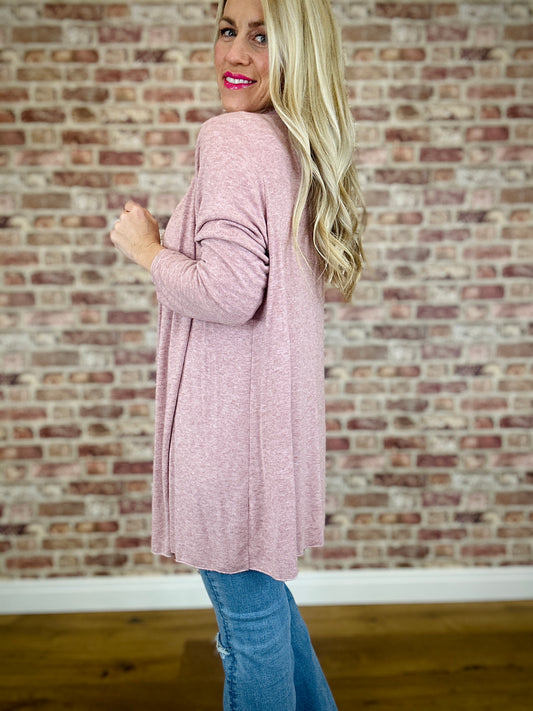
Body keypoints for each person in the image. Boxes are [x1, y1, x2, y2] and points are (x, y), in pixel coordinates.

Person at [110, 0, 365, 707]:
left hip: (227, 442)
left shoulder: (232, 138)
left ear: (299, 52)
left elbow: (227, 291)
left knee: (251, 629)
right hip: (268, 437)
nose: (237, 55)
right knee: (267, 614)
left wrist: (147, 249)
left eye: (263, 37)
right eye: (228, 31)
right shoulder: (293, 143)